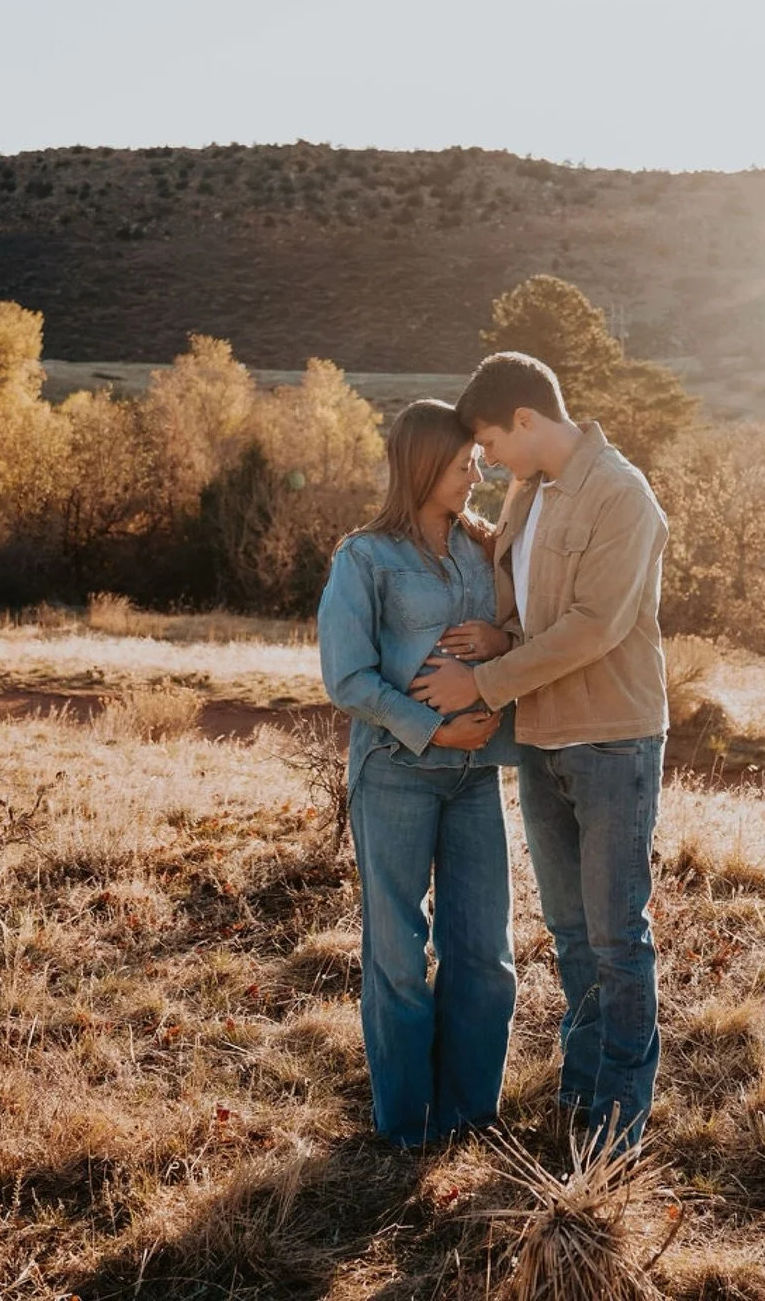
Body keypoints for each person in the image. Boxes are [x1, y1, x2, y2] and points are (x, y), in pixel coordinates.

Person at [411, 352, 668, 1149]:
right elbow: (532, 609)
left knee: (616, 934)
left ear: (526, 420)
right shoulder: (529, 492)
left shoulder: (622, 497)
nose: (486, 463)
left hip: (611, 742)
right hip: (544, 740)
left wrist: (482, 683)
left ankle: (618, 1122)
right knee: (568, 929)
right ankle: (582, 1091)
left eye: (489, 443)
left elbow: (594, 627)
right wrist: (498, 634)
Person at [317, 399, 519, 1149]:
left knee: (485, 952)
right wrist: (431, 723)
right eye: (462, 462)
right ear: (422, 465)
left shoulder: (486, 549)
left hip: (477, 775)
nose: (474, 473)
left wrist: (500, 639)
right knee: (399, 952)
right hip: (396, 773)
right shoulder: (364, 557)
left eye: (476, 460)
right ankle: (405, 1130)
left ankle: (469, 1120)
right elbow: (347, 679)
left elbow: (527, 628)